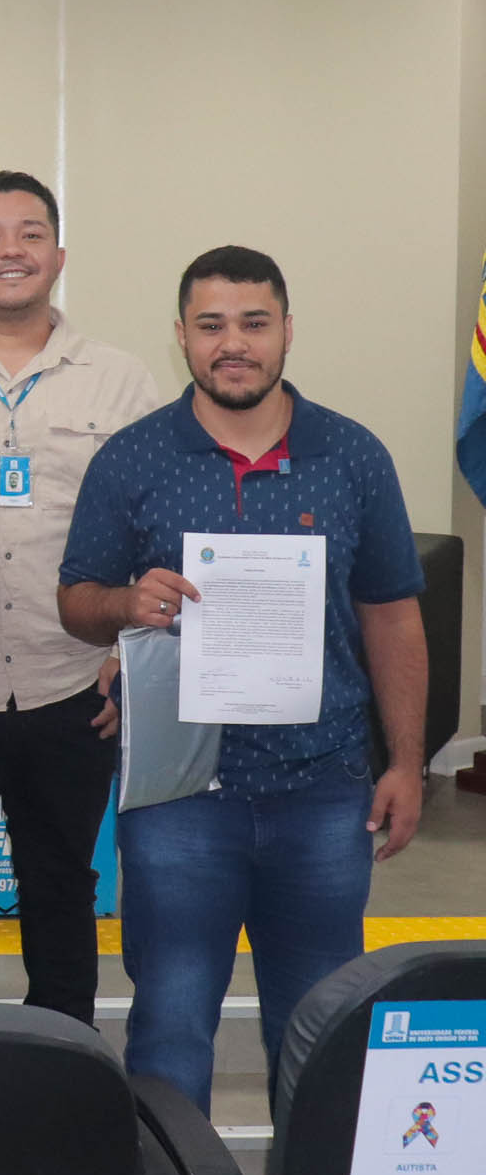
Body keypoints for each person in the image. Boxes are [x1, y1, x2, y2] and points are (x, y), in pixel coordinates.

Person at [57, 245, 426, 1114]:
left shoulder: (352, 456)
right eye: (212, 325)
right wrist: (126, 603)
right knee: (171, 1027)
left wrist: (405, 762)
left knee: (322, 1031)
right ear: (181, 336)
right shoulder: (135, 458)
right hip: (180, 796)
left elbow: (392, 615)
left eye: (255, 323)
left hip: (324, 793)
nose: (235, 344)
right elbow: (76, 602)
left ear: (287, 331)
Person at [0, 172, 163, 1024]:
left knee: (63, 881)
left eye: (28, 234)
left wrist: (134, 659)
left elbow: (155, 535)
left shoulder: (124, 382)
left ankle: (65, 1066)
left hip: (74, 678)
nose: (8, 251)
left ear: (58, 255)